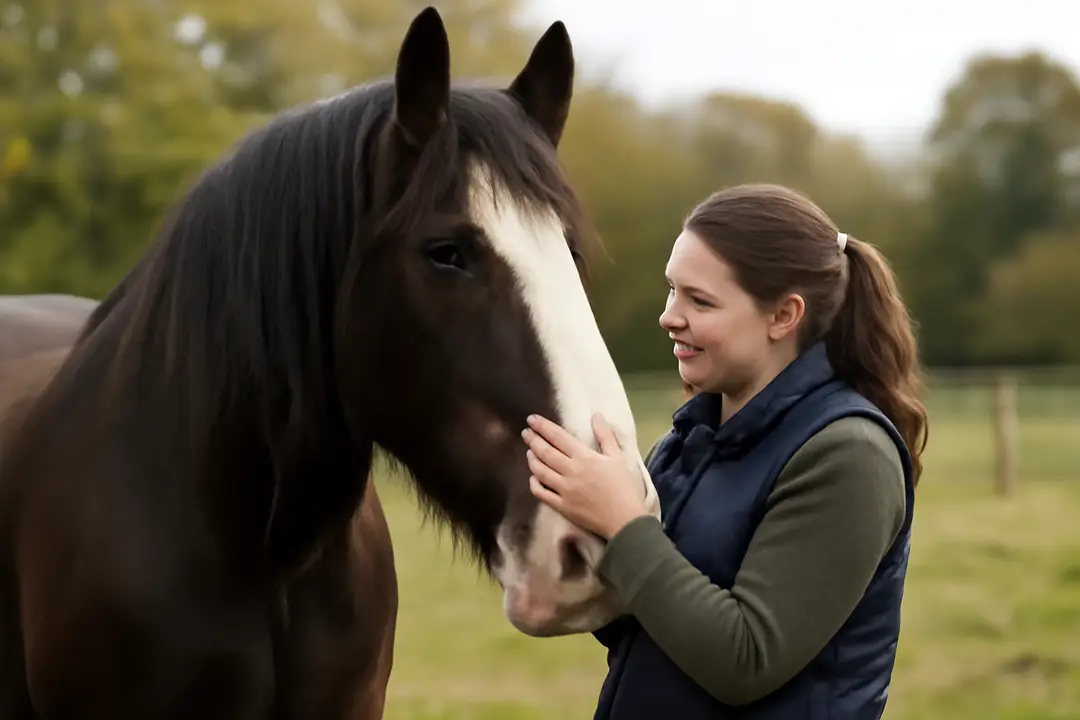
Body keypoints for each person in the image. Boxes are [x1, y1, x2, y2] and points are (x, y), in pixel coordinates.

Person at [520, 182, 928, 719]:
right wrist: (571, 525)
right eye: (672, 290)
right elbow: (650, 623)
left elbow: (746, 659)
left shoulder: (850, 455)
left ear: (784, 315)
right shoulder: (693, 437)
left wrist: (622, 524)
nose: (669, 316)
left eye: (700, 300)